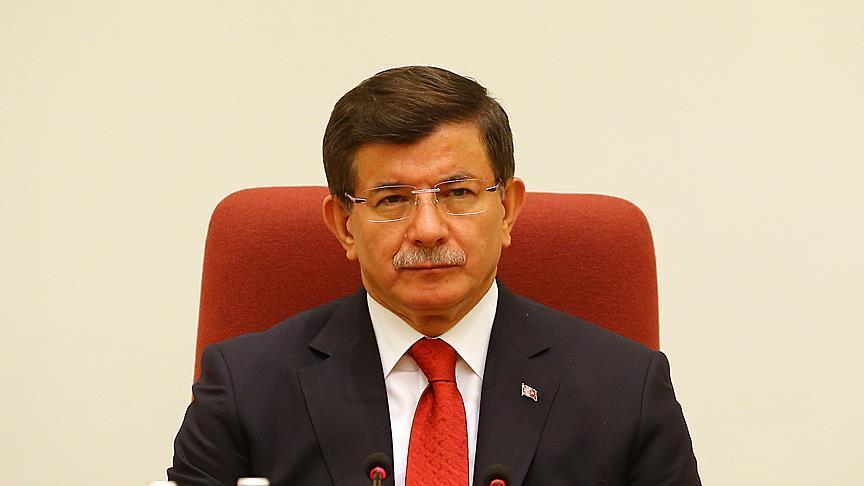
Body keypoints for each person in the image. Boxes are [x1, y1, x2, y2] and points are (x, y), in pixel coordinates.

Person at [168, 66, 701, 485]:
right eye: (392, 199)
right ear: (344, 225)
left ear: (509, 210)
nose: (427, 230)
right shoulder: (245, 390)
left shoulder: (626, 391)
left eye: (458, 193)